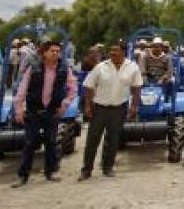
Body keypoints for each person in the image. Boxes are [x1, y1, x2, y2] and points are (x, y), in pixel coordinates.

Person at [11, 40, 78, 187]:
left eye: (57, 51)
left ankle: (51, 171)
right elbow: (22, 89)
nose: (55, 53)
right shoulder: (33, 68)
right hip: (34, 110)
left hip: (52, 111)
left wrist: (64, 105)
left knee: (51, 141)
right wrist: (18, 109)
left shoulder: (64, 69)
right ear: (44, 52)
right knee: (30, 142)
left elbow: (73, 89)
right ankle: (23, 176)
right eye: (52, 51)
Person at [79, 42, 142, 180]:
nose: (112, 53)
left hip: (119, 109)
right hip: (99, 109)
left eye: (116, 50)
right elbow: (88, 87)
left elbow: (137, 87)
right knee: (92, 140)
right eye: (111, 50)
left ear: (123, 52)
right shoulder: (100, 67)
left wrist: (134, 106)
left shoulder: (132, 67)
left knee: (113, 140)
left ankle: (108, 168)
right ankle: (86, 170)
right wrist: (87, 106)